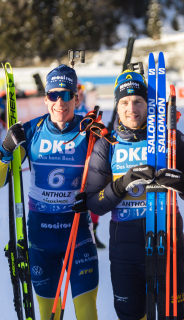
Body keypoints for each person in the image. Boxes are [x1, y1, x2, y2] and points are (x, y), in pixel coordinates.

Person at [73, 69, 184, 320]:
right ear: (117, 107)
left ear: (148, 104)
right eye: (125, 102)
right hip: (125, 254)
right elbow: (95, 204)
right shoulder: (107, 145)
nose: (132, 108)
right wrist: (123, 183)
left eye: (138, 101)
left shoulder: (171, 139)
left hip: (168, 245)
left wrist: (180, 182)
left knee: (173, 315)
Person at [0, 65, 99, 320]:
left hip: (78, 236)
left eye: (67, 94)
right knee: (49, 315)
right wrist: (5, 152)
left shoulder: (89, 132)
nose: (60, 102)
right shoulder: (31, 131)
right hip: (41, 239)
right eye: (53, 95)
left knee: (86, 314)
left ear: (77, 97)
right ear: (46, 98)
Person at [74, 79, 106, 249]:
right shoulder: (64, 110)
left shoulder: (87, 111)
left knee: (94, 199)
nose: (79, 92)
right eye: (76, 89)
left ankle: (92, 234)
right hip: (73, 162)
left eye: (81, 89)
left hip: (88, 162)